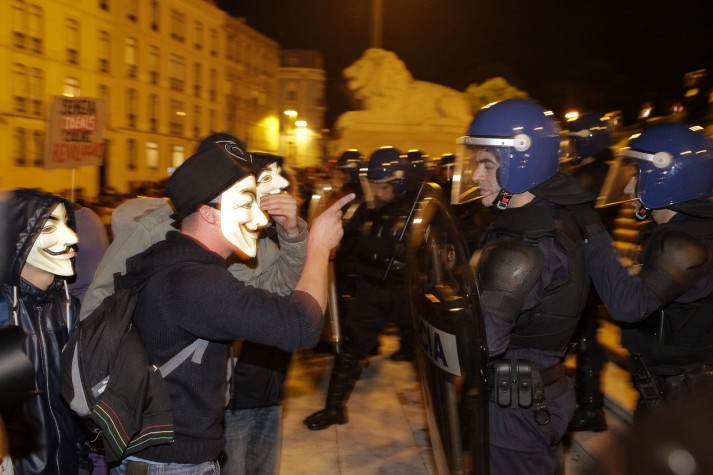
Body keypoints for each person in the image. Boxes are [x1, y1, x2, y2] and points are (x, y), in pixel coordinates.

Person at [109, 137, 352, 473]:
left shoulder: (177, 260)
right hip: (169, 464)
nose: (258, 218)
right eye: (245, 204)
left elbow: (272, 294)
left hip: (169, 456)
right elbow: (300, 325)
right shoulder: (194, 282)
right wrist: (319, 248)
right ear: (208, 214)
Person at [459, 99, 594, 473]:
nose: (475, 175)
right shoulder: (542, 218)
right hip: (530, 395)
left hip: (514, 410)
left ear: (521, 161)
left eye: (486, 164)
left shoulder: (525, 248)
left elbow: (482, 343)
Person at [578, 123, 713, 422]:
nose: (628, 188)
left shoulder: (683, 242)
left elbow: (628, 306)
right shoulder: (678, 232)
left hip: (682, 403)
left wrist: (593, 232)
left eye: (637, 176)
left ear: (669, 178)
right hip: (670, 391)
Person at [303, 146, 417, 431]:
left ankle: (447, 421)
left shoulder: (418, 212)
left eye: (384, 186)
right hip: (371, 289)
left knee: (425, 355)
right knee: (350, 351)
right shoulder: (364, 210)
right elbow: (347, 248)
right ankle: (334, 409)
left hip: (406, 291)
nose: (377, 192)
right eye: (374, 185)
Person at [0, 188, 91, 475]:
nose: (72, 238)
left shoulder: (67, 309)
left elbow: (75, 395)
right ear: (17, 239)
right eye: (50, 226)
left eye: (67, 224)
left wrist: (81, 457)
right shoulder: (3, 313)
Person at [222, 151, 301, 475]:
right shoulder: (238, 240)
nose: (280, 190)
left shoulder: (279, 236)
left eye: (284, 184)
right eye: (269, 181)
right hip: (236, 392)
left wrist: (293, 233)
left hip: (271, 382)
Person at [561, 112, 618, 432]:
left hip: (584, 267)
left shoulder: (589, 176)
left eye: (575, 140)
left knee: (585, 339)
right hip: (592, 265)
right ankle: (589, 403)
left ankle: (591, 407)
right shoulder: (602, 173)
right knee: (585, 336)